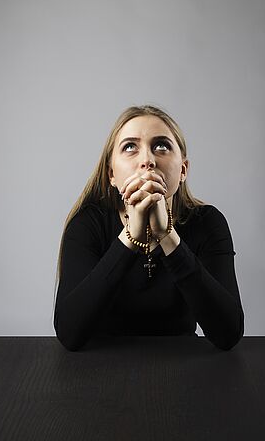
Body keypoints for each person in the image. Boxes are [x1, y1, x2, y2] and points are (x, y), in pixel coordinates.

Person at [53, 105, 244, 351]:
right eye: (130, 147)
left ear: (183, 170)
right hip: (101, 371)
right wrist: (130, 236)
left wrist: (167, 236)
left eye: (161, 146)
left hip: (184, 370)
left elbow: (228, 333)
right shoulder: (88, 224)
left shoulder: (207, 222)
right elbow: (69, 333)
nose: (147, 161)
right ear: (111, 174)